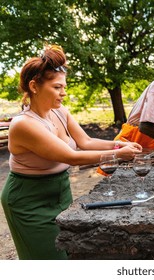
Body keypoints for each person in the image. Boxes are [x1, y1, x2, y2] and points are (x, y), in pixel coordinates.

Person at [0, 45, 142, 260]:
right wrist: (117, 155)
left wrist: (118, 145)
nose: (64, 93)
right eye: (57, 87)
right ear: (34, 86)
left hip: (60, 191)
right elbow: (70, 156)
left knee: (71, 253)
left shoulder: (60, 111)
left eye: (64, 87)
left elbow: (85, 141)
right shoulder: (23, 124)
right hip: (28, 199)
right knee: (48, 262)